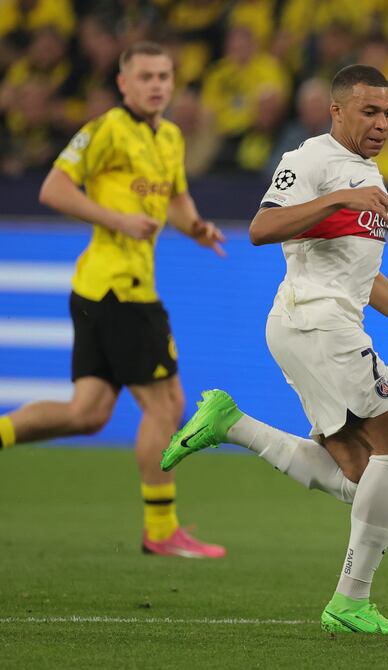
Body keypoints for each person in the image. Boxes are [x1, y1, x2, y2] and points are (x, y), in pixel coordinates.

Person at [159, 65, 388, 635]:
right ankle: (350, 601)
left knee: (361, 479)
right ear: (337, 111)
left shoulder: (371, 178)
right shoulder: (310, 159)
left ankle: (233, 424)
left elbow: (366, 278)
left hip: (323, 323)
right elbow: (261, 228)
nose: (382, 124)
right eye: (369, 112)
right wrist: (338, 199)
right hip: (316, 322)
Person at [0, 42, 227, 558]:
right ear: (123, 83)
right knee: (166, 404)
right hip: (118, 289)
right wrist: (118, 219)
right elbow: (53, 188)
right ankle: (161, 529)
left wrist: (197, 227)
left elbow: (175, 199)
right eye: (145, 76)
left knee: (88, 412)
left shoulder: (169, 136)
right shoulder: (106, 129)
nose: (156, 85)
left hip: (103, 291)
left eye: (164, 76)